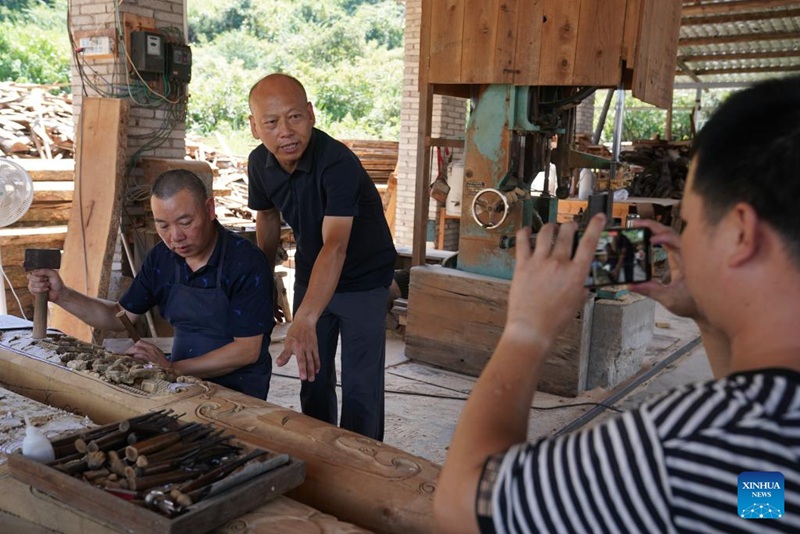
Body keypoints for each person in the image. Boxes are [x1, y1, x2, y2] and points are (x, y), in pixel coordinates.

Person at [434, 76, 800, 533]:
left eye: (687, 220)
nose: (682, 238)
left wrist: (526, 330)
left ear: (740, 234)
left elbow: (460, 505)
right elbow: (754, 497)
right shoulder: (761, 448)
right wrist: (708, 312)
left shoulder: (675, 447)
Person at [27, 169, 274, 399]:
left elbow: (247, 350)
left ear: (210, 209)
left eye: (185, 222)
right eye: (163, 225)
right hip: (180, 382)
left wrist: (173, 367)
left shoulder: (245, 261)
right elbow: (118, 316)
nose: (175, 237)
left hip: (239, 389)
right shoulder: (162, 258)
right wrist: (63, 296)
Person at [247, 73, 397, 441]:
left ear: (311, 114)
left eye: (294, 117)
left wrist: (305, 317)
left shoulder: (337, 163)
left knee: (361, 384)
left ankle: (363, 463)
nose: (285, 131)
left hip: (363, 277)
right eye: (271, 122)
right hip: (313, 272)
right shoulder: (258, 164)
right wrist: (264, 282)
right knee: (312, 374)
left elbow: (337, 245)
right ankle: (320, 450)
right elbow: (266, 217)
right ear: (254, 127)